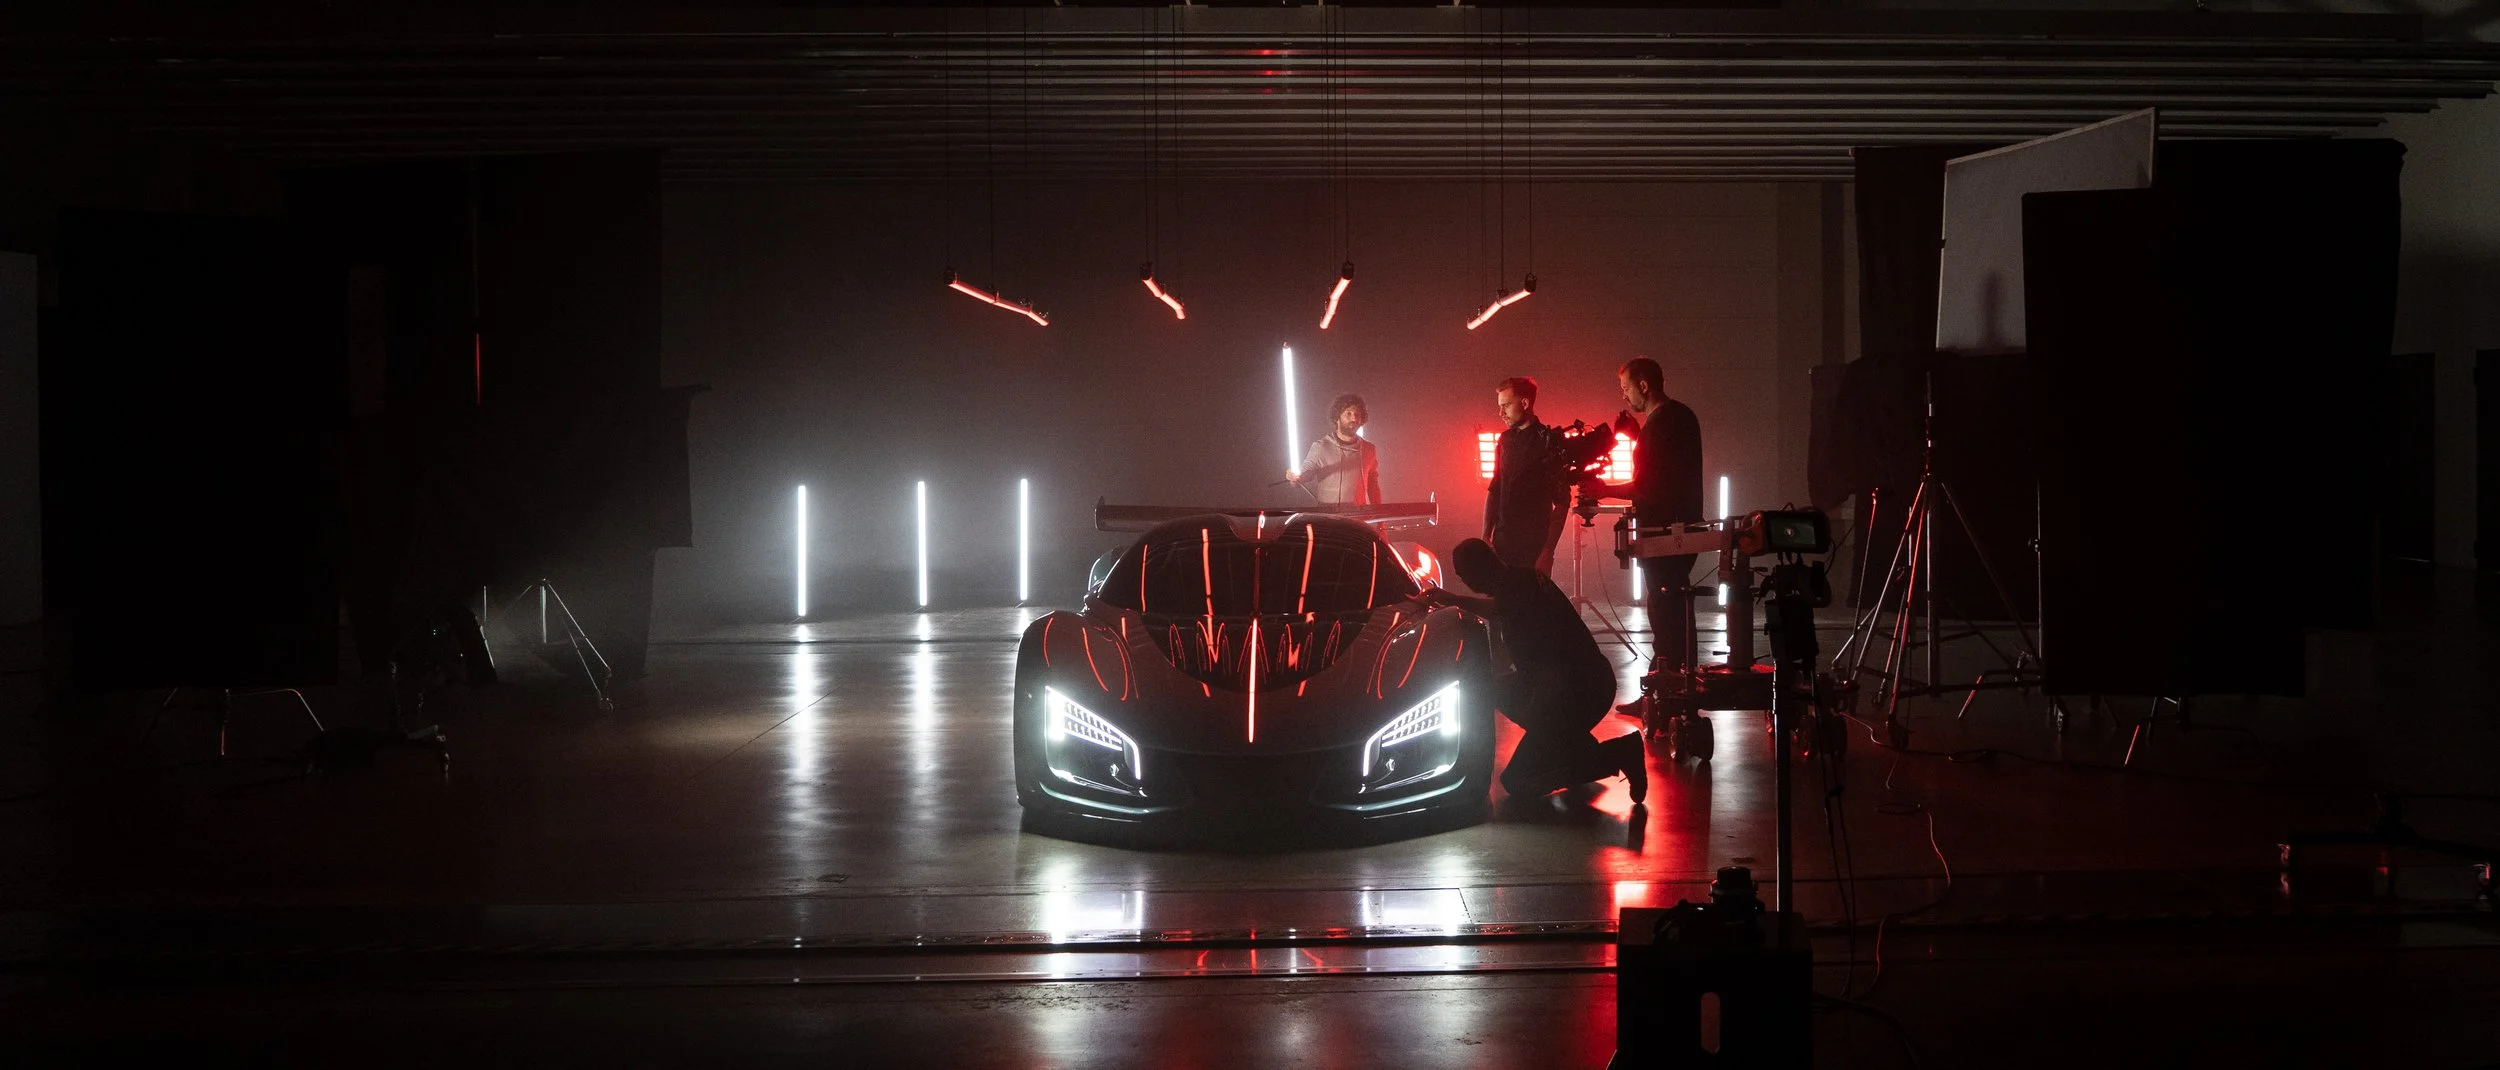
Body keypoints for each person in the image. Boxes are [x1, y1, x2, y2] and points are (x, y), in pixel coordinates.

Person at [1428, 538, 1647, 805]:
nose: (1464, 583)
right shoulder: (1523, 581)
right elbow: (1501, 609)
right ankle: (1574, 744)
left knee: (1518, 781)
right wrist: (1452, 600)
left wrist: (1545, 721)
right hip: (1588, 683)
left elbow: (1551, 673)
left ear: (1475, 576)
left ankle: (1616, 753)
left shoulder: (1517, 592)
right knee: (1493, 689)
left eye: (1462, 577)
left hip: (1579, 692)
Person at [1609, 357, 1706, 691]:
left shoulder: (1663, 423)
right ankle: (1680, 684)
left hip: (1665, 534)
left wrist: (1601, 489)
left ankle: (1665, 689)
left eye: (1626, 388)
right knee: (1673, 607)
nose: (1624, 396)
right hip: (1680, 530)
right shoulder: (1679, 417)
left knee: (1665, 611)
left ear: (1644, 385)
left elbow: (1648, 486)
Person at [1481, 376, 1571, 576]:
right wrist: (1486, 535)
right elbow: (1495, 488)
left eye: (1505, 405)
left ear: (1525, 403)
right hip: (1502, 544)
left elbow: (1562, 502)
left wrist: (1547, 551)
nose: (1500, 412)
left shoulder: (1549, 442)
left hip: (1533, 547)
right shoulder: (1505, 440)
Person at [1288, 393, 1382, 506]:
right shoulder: (1321, 447)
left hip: (1357, 519)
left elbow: (1373, 485)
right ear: (1337, 417)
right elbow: (1302, 477)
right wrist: (1294, 478)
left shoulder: (1369, 449)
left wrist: (1380, 519)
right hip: (1329, 520)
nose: (1354, 418)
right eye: (1348, 413)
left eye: (1357, 414)